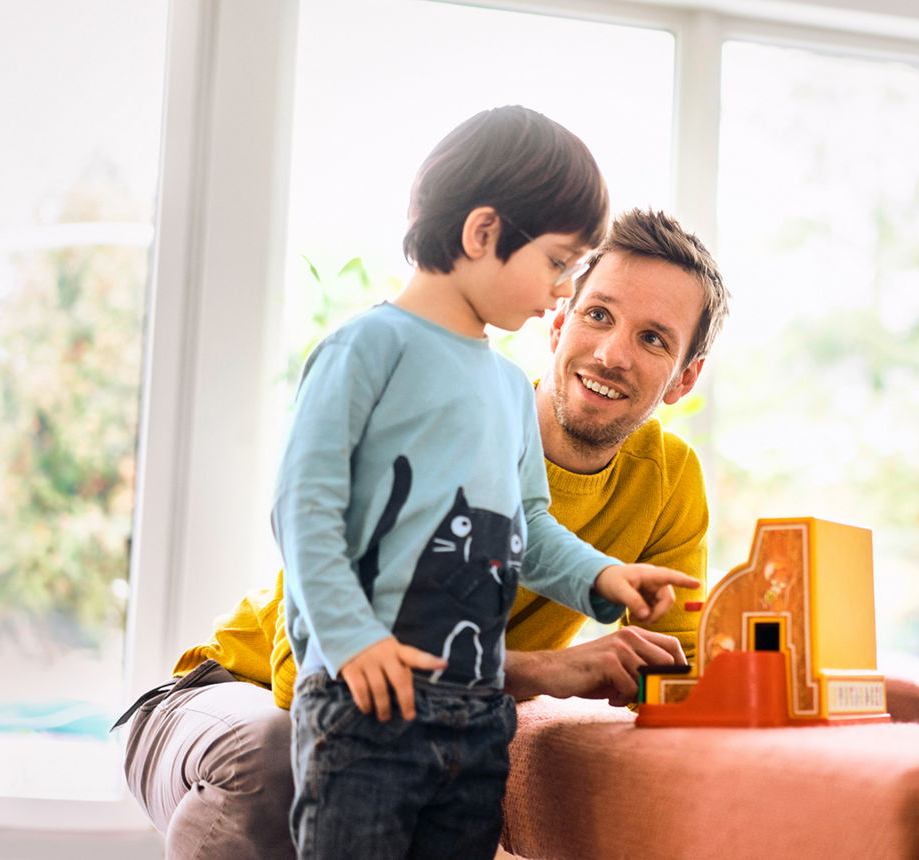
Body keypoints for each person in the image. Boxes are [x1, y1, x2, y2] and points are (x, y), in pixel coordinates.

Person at [118, 196, 729, 857]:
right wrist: (541, 670)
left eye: (653, 338)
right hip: (239, 690)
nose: (611, 354)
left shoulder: (668, 479)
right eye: (598, 314)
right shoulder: (449, 413)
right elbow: (316, 679)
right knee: (284, 758)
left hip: (420, 725)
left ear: (684, 378)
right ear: (558, 321)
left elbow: (676, 675)